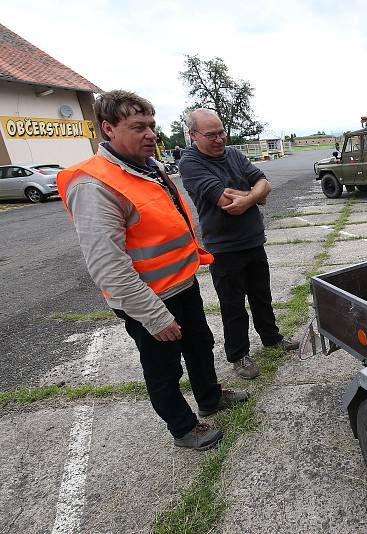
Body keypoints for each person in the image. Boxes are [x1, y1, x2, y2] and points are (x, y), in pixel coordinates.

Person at [57, 91, 247, 451]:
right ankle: (183, 427)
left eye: (153, 126)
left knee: (200, 344)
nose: (151, 135)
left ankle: (209, 396)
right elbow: (107, 265)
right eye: (138, 127)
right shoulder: (94, 184)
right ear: (108, 129)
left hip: (180, 284)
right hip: (148, 298)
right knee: (163, 368)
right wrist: (154, 317)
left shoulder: (149, 167)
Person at [179, 108, 298, 380]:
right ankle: (238, 355)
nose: (219, 139)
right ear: (193, 135)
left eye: (221, 132)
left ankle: (272, 338)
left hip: (253, 239)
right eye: (211, 135)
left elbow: (263, 182)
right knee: (233, 306)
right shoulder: (191, 163)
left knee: (262, 296)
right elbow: (226, 202)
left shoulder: (233, 154)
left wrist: (250, 195)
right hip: (223, 248)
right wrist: (255, 195)